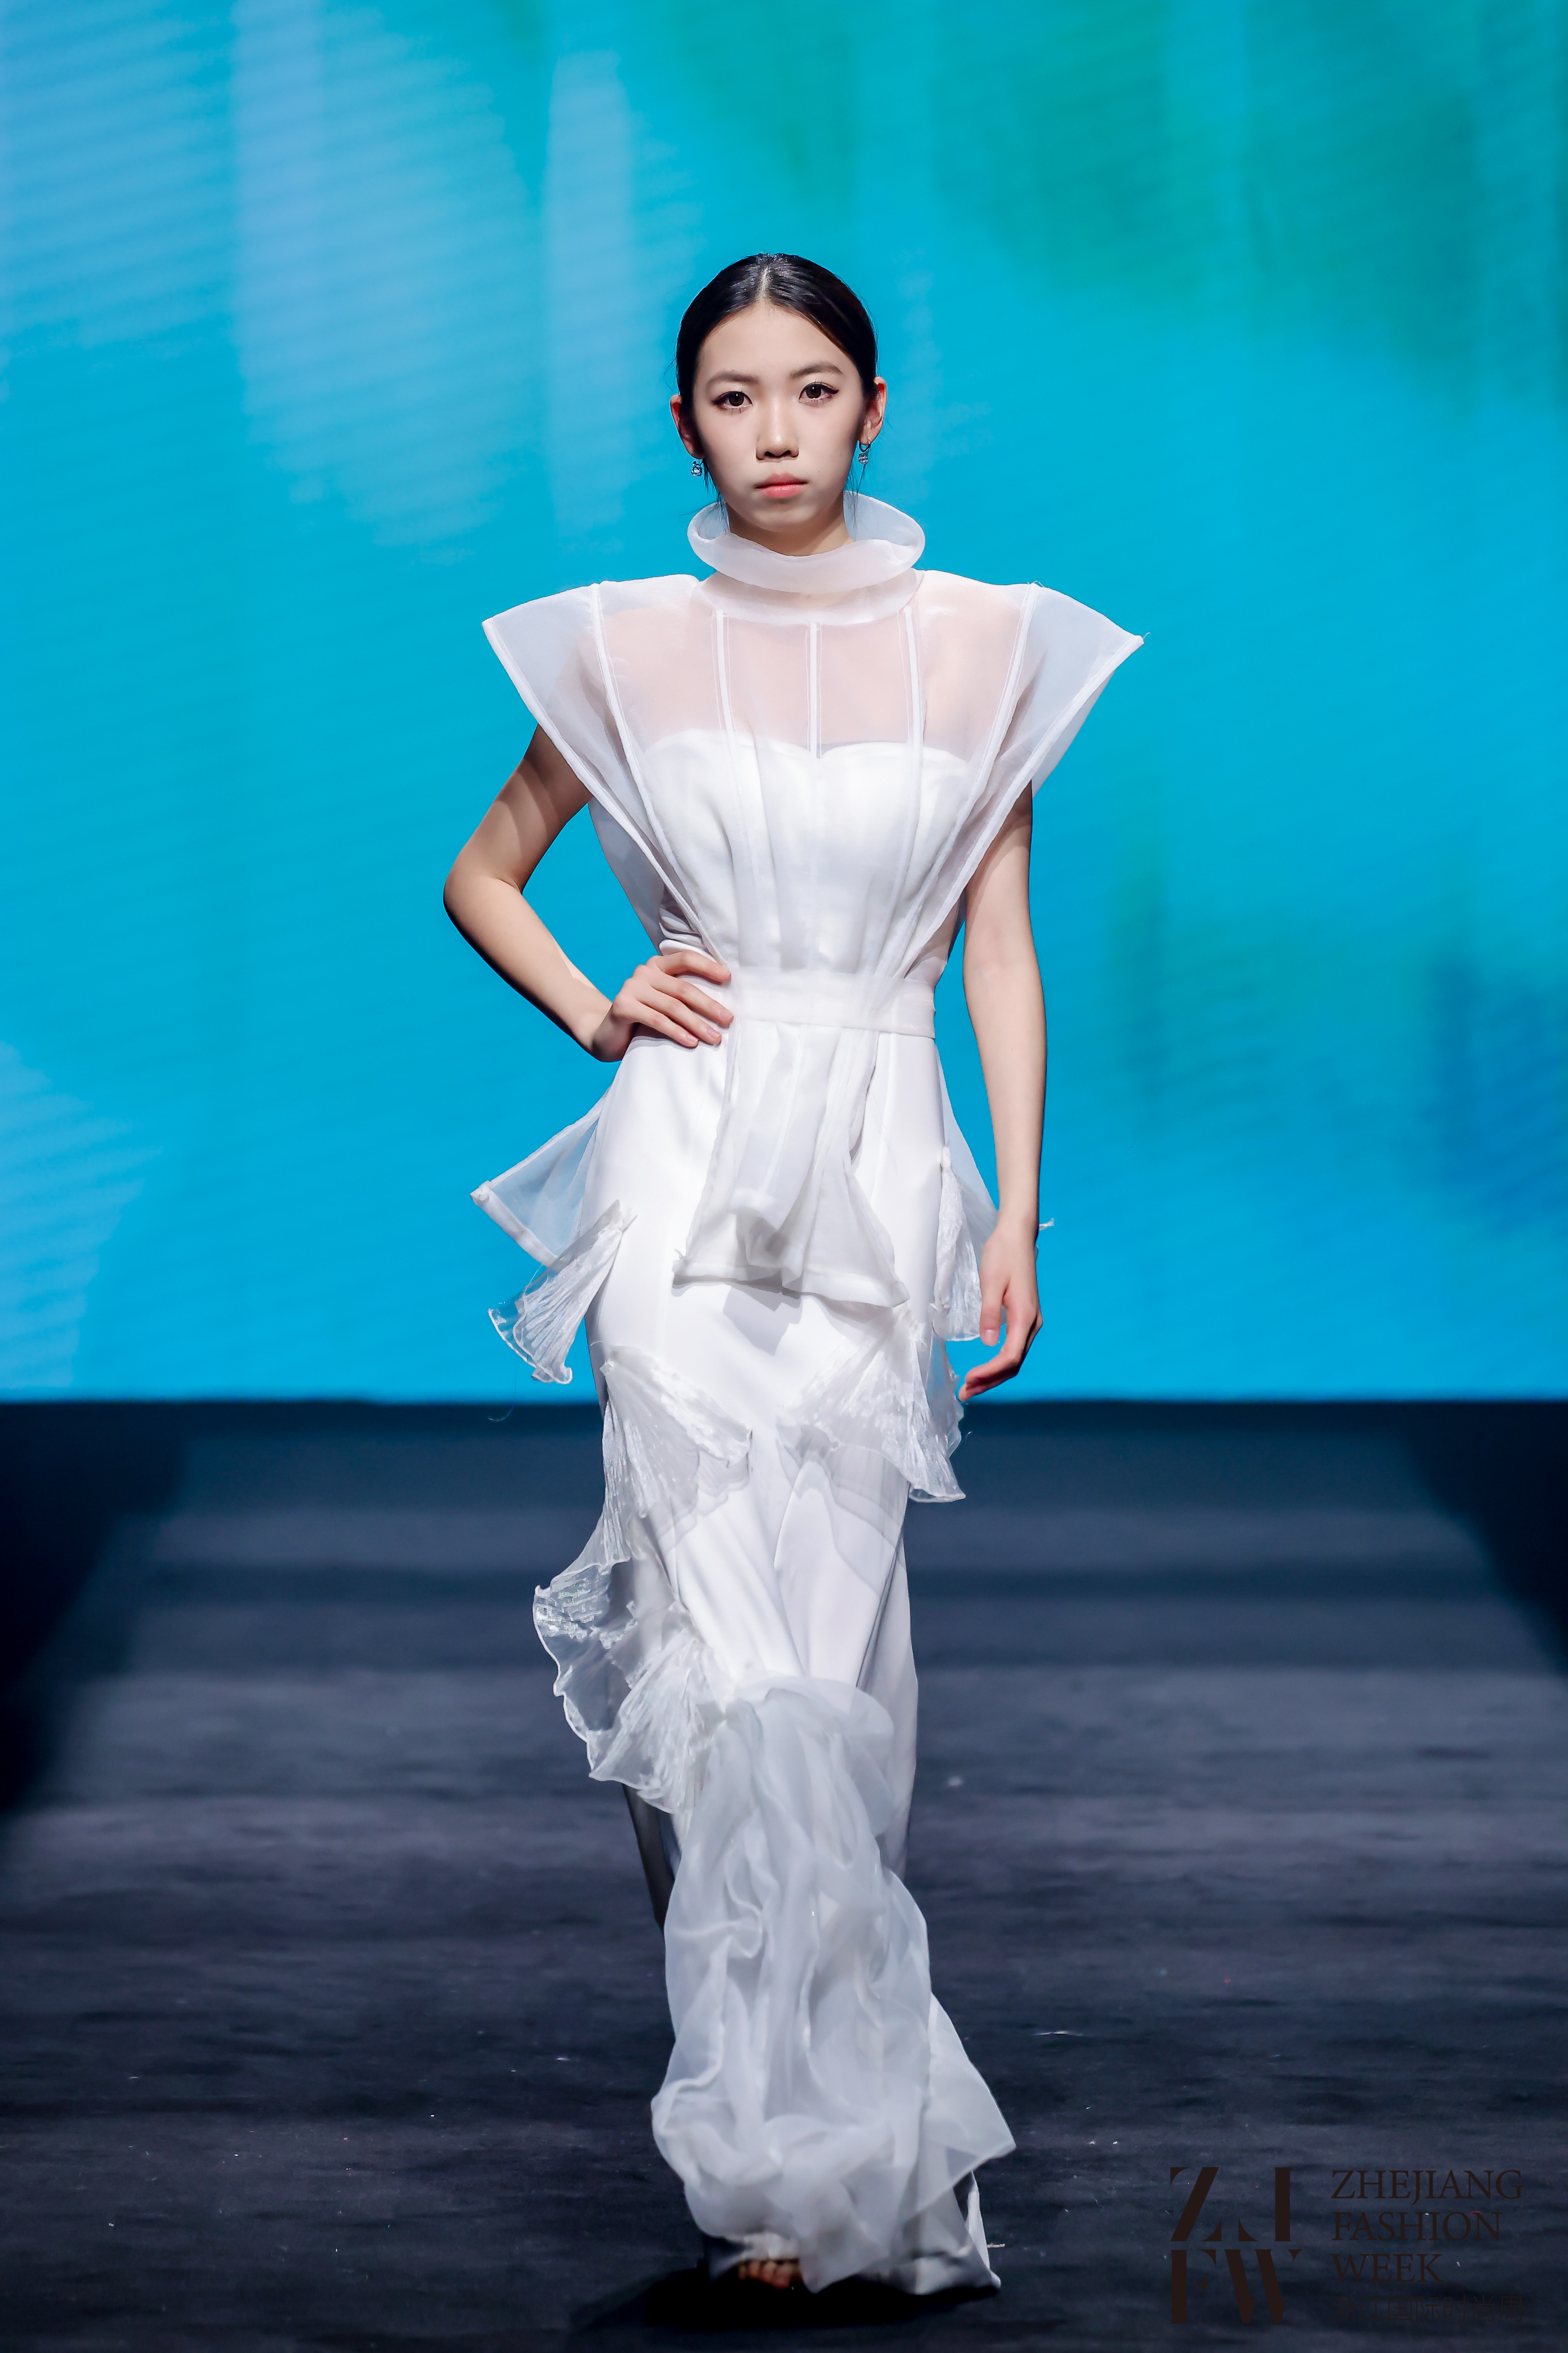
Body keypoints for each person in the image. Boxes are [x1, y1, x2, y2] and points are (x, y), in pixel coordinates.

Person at [443, 253, 1140, 2298]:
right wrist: (596, 1006)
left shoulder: (985, 644)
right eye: (734, 396)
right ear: (684, 425)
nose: (774, 430)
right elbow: (481, 869)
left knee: (832, 1664)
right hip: (682, 1163)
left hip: (877, 1162)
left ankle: (826, 2107)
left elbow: (997, 943)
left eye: (811, 388)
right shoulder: (621, 644)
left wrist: (1014, 1207)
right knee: (714, 1641)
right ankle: (769, 2157)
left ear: (872, 406)